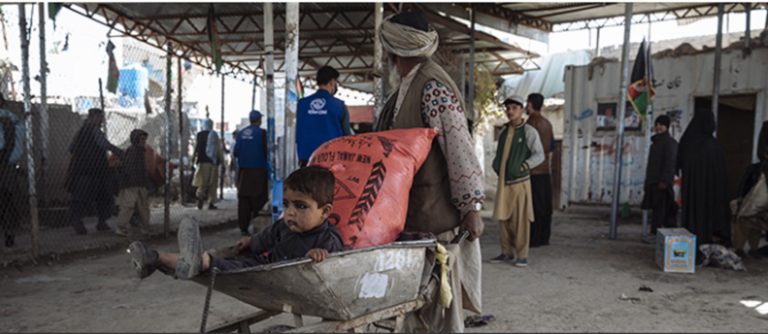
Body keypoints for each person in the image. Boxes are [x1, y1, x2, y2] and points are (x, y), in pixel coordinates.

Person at [373, 12, 485, 332]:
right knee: (413, 307)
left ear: (394, 51)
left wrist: (470, 207)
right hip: (410, 218)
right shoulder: (402, 92)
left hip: (435, 218)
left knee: (438, 308)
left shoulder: (432, 87)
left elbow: (459, 149)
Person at [126, 166, 345, 280]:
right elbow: (263, 240)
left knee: (225, 266)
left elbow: (339, 267)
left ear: (325, 212)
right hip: (266, 267)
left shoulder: (327, 239)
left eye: (301, 206)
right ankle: (155, 257)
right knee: (227, 257)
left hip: (278, 275)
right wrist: (248, 242)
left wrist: (320, 257)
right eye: (287, 204)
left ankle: (182, 260)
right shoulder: (283, 226)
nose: (290, 213)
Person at [491, 95, 544, 267]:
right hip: (504, 182)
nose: (510, 111)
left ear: (522, 110)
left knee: (520, 220)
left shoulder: (529, 131)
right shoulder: (504, 132)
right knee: (503, 219)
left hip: (520, 182)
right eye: (508, 108)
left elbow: (539, 154)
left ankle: (522, 255)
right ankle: (506, 252)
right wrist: (496, 165)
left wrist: (524, 166)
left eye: (514, 108)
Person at [677, 108, 730, 250]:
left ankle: (692, 242)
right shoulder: (715, 147)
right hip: (711, 195)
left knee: (693, 216)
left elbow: (679, 163)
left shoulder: (688, 143)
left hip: (692, 194)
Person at [66, 108, 123, 235]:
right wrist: (120, 152)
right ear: (92, 117)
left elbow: (71, 149)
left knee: (83, 197)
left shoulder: (80, 132)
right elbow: (105, 145)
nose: (101, 120)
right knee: (102, 196)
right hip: (95, 170)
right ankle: (98, 222)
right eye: (99, 117)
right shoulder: (94, 131)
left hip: (83, 170)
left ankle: (82, 221)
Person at [296, 65, 352, 167]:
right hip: (331, 159)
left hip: (306, 160)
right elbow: (347, 135)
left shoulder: (301, 104)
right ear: (332, 82)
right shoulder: (339, 105)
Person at [731, 121, 768, 259]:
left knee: (751, 219)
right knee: (747, 218)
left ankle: (750, 248)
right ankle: (742, 248)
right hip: (754, 199)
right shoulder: (755, 170)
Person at [525, 93, 555, 247]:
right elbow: (551, 147)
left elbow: (526, 148)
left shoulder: (530, 124)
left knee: (533, 207)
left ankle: (534, 239)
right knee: (545, 206)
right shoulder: (548, 124)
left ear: (530, 104)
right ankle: (544, 238)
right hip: (545, 170)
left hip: (532, 171)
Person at [233, 110, 269, 236]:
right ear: (259, 120)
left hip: (243, 172)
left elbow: (236, 152)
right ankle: (257, 226)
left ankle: (243, 227)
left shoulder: (241, 133)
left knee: (244, 200)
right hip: (258, 171)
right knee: (258, 199)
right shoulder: (263, 133)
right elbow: (267, 152)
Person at [641, 115, 679, 234]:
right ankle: (657, 234)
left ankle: (661, 235)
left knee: (662, 211)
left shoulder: (670, 143)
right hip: (653, 181)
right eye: (657, 124)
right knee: (657, 210)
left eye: (661, 125)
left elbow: (670, 162)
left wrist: (665, 181)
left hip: (661, 183)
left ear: (667, 127)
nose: (658, 127)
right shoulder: (655, 143)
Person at [113, 129, 153, 237]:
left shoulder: (139, 151)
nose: (144, 141)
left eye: (144, 139)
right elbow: (130, 169)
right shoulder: (134, 151)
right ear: (136, 140)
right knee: (128, 206)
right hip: (131, 184)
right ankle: (122, 227)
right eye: (142, 139)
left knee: (142, 206)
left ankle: (145, 227)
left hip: (138, 183)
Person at [0, 94, 24, 247]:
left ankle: (9, 233)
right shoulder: (12, 119)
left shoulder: (7, 119)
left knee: (6, 199)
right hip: (7, 162)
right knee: (6, 199)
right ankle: (9, 233)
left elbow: (10, 143)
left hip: (5, 162)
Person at [192, 119, 223, 210]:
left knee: (202, 183)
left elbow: (196, 148)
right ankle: (211, 203)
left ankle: (200, 201)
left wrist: (193, 160)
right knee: (212, 183)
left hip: (202, 162)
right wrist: (221, 160)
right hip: (213, 163)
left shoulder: (199, 135)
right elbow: (218, 149)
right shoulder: (214, 135)